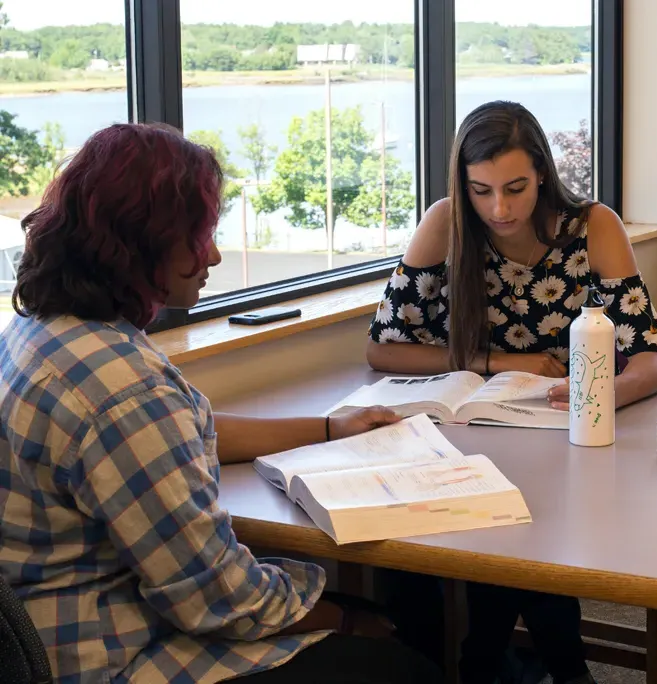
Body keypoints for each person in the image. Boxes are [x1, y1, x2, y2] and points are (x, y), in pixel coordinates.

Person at [0, 123, 442, 684]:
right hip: (113, 656)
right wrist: (346, 619)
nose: (212, 254)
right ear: (144, 241)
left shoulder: (43, 331)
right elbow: (219, 599)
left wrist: (332, 428)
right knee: (403, 662)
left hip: (44, 634)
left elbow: (190, 431)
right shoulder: (124, 389)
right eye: (200, 235)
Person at [366, 100, 657, 684]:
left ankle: (494, 662)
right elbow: (384, 348)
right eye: (481, 190)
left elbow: (650, 362)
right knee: (430, 548)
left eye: (515, 188)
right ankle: (519, 665)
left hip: (568, 447)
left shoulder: (591, 226)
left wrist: (593, 393)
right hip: (470, 437)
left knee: (527, 528)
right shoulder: (445, 222)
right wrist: (505, 361)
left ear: (543, 174)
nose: (499, 209)